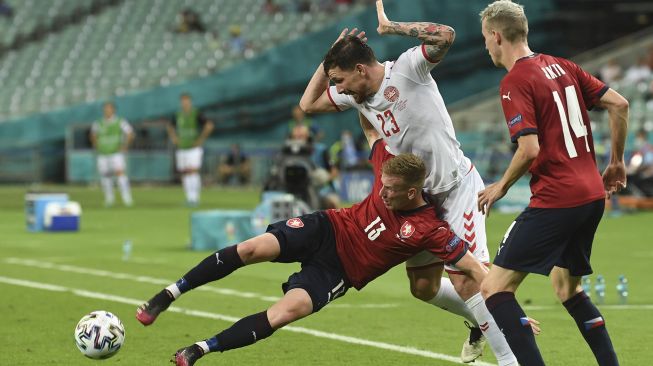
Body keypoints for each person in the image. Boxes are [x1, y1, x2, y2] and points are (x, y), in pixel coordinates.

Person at [136, 122, 492, 366]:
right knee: (250, 249)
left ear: (413, 192)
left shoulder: (429, 227)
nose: (382, 192)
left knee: (286, 312)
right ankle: (168, 295)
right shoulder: (390, 165)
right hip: (326, 228)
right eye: (381, 185)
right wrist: (349, 87)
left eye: (391, 190)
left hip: (339, 271)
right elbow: (370, 127)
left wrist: (504, 310)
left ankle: (199, 350)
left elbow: (475, 268)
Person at [299, 1, 515, 363]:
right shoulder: (357, 94)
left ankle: (513, 359)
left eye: (339, 79)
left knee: (467, 279)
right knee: (423, 288)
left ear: (360, 69)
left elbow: (446, 35)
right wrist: (327, 61)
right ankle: (480, 321)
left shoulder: (407, 69)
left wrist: (391, 26)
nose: (338, 88)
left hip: (457, 188)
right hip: (418, 202)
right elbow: (308, 104)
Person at [476, 1, 629, 365]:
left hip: (558, 198)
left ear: (496, 36)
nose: (485, 46)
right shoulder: (563, 66)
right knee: (566, 288)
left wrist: (502, 185)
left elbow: (529, 149)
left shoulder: (514, 80)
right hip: (591, 194)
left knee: (493, 289)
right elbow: (619, 104)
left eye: (485, 39)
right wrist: (617, 162)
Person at [167, 94, 214, 207]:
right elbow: (169, 126)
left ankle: (195, 198)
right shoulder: (177, 115)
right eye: (183, 101)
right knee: (185, 172)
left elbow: (209, 125)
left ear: (190, 102)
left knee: (193, 171)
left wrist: (201, 139)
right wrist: (174, 138)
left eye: (187, 101)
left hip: (193, 148)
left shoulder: (196, 113)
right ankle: (189, 198)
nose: (185, 103)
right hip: (182, 147)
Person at [90, 102, 134, 207]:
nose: (107, 110)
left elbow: (130, 133)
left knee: (120, 173)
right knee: (105, 175)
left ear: (113, 110)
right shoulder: (98, 123)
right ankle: (109, 199)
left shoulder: (120, 121)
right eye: (105, 109)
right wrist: (96, 145)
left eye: (109, 108)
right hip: (103, 153)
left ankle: (127, 198)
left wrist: (125, 146)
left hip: (116, 153)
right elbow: (93, 134)